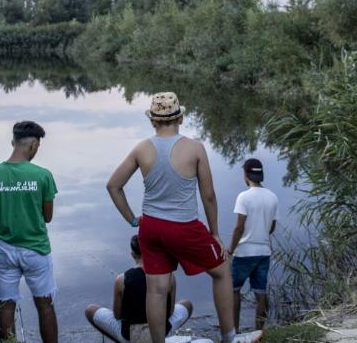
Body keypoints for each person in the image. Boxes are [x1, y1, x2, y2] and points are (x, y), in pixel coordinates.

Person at [107, 92, 255, 343]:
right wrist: (215, 233)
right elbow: (208, 195)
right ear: (182, 118)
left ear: (153, 121)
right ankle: (230, 337)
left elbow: (113, 186)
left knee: (156, 289)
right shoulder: (195, 148)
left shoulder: (141, 148)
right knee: (221, 271)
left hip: (150, 228)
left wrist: (133, 220)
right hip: (183, 226)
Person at [0, 121, 58, 342]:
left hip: (4, 250)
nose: (36, 150)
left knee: (6, 305)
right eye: (38, 146)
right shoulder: (43, 175)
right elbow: (47, 217)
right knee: (45, 305)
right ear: (32, 144)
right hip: (36, 250)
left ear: (14, 142)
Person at [85, 235, 193, 342]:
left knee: (90, 310)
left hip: (130, 335)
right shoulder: (169, 276)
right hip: (161, 332)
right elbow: (170, 313)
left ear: (132, 254)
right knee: (187, 304)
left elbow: (117, 316)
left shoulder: (121, 279)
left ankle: (122, 341)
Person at [227, 158, 279, 333]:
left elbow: (239, 227)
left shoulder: (244, 197)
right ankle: (259, 331)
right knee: (260, 293)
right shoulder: (273, 197)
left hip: (244, 253)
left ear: (246, 174)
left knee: (234, 290)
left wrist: (230, 249)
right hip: (264, 252)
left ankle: (235, 330)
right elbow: (271, 227)